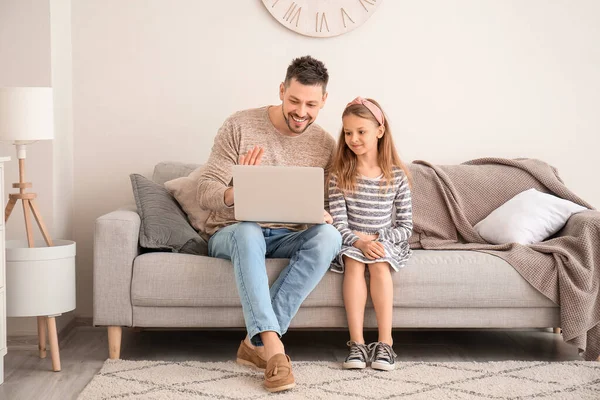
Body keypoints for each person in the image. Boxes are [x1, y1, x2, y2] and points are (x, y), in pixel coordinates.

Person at [197, 56, 342, 392]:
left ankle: (255, 344)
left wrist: (320, 212)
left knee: (328, 237)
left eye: (310, 104)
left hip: (288, 234)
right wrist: (239, 190)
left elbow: (327, 202)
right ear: (281, 90)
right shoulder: (239, 125)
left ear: (323, 101)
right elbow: (206, 191)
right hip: (232, 232)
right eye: (293, 100)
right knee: (248, 229)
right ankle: (274, 350)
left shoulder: (324, 145)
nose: (300, 111)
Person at [328, 97, 413, 371]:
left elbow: (406, 227)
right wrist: (359, 242)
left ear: (379, 130)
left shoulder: (397, 176)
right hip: (351, 241)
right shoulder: (338, 175)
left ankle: (385, 344)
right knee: (353, 262)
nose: (353, 138)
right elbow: (337, 225)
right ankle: (357, 345)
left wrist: (376, 240)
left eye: (361, 131)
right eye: (348, 132)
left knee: (378, 265)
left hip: (382, 241)